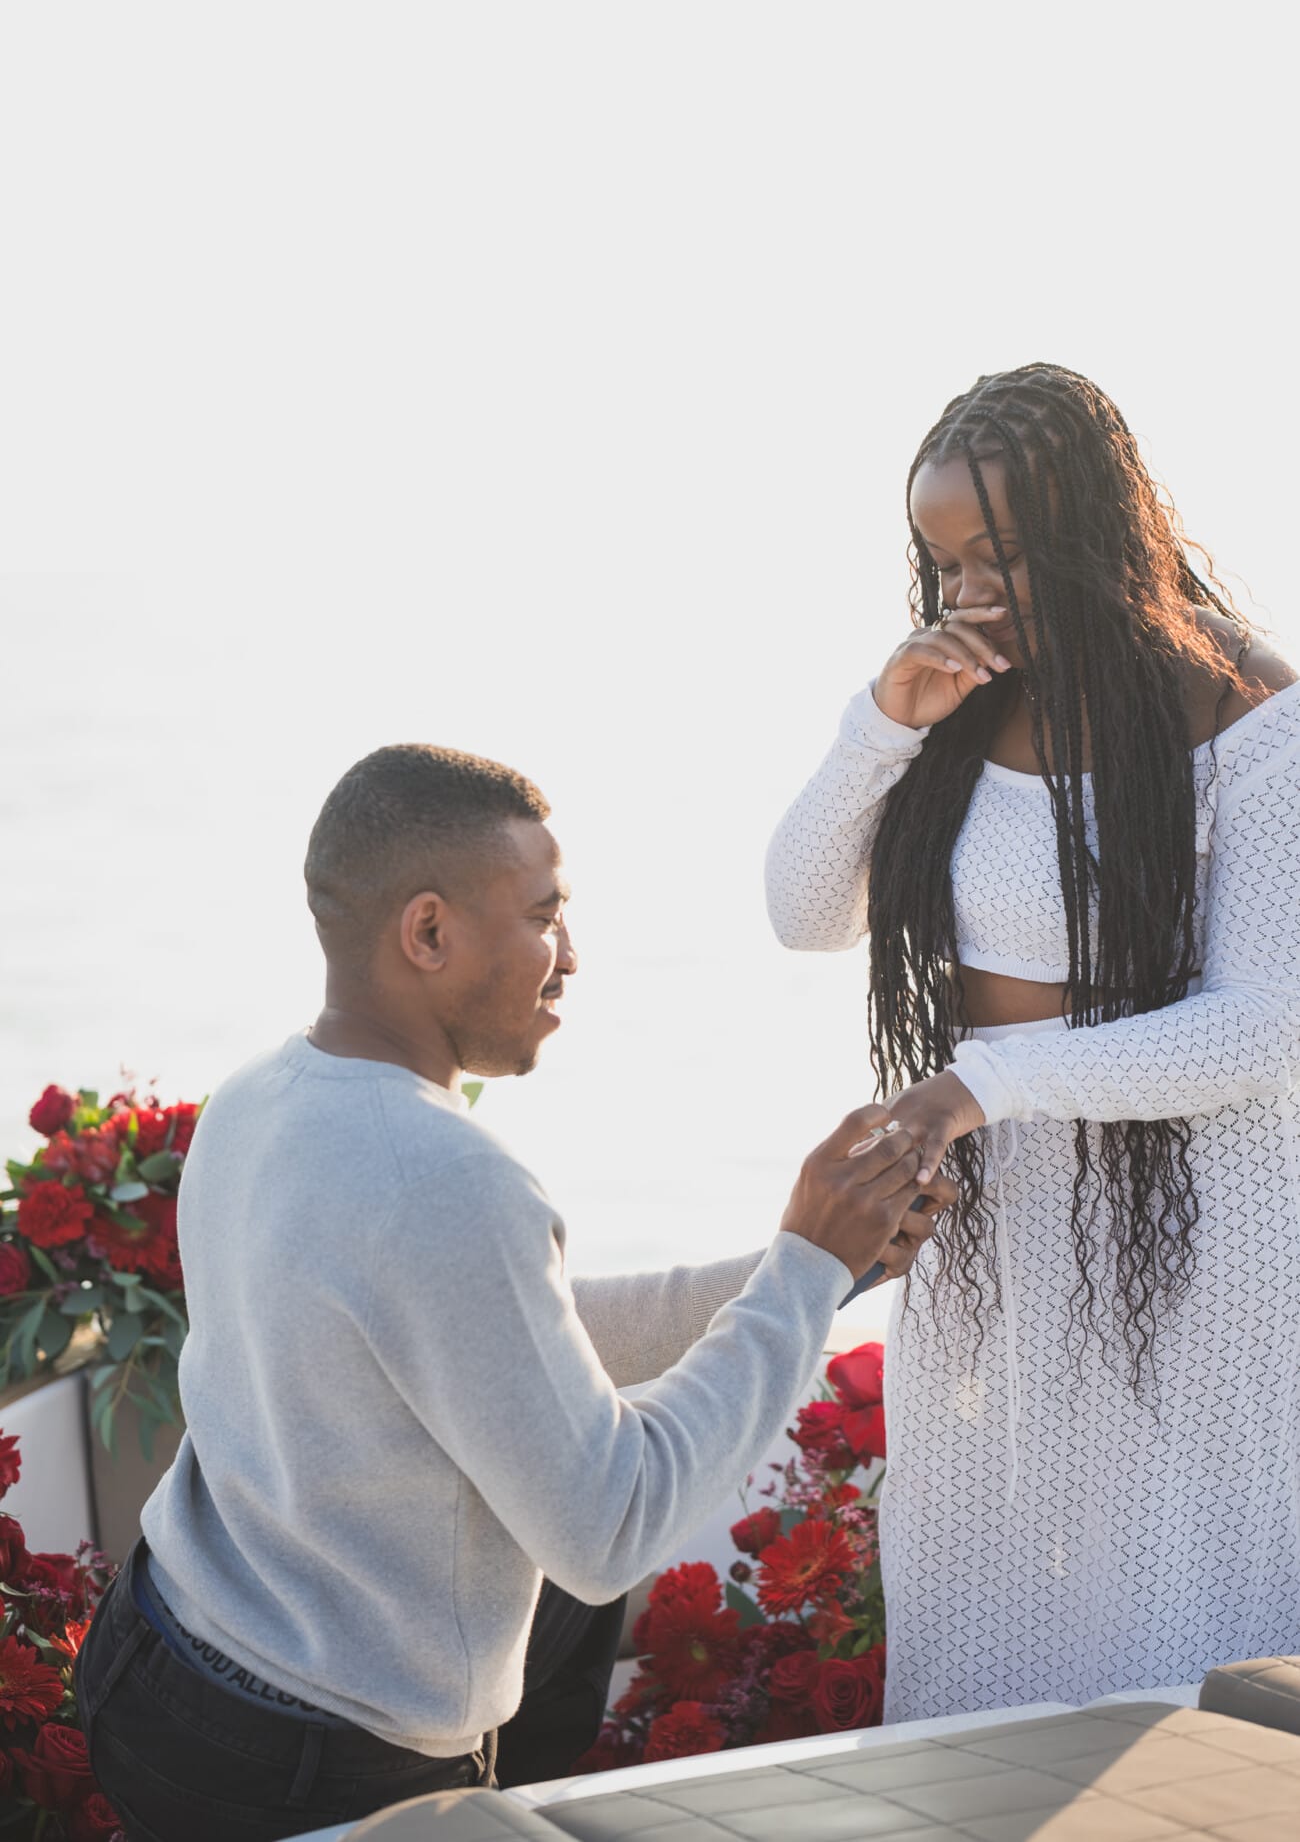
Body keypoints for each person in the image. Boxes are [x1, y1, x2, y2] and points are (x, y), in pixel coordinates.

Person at [76, 742, 953, 1840]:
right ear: (429, 932)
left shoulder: (266, 1096)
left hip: (158, 1661)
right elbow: (609, 1526)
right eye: (545, 914)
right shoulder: (445, 1173)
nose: (571, 955)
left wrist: (814, 1273)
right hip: (298, 1762)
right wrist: (803, 1269)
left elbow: (509, 1330)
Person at [765, 363, 1300, 1722]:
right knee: (988, 1622)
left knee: (1180, 1632)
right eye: (942, 559)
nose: (969, 591)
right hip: (995, 1229)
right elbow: (802, 911)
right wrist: (884, 726)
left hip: (1196, 1227)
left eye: (999, 554)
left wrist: (977, 1082)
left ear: (1095, 530)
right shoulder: (953, 699)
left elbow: (1267, 1018)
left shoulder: (1248, 706)